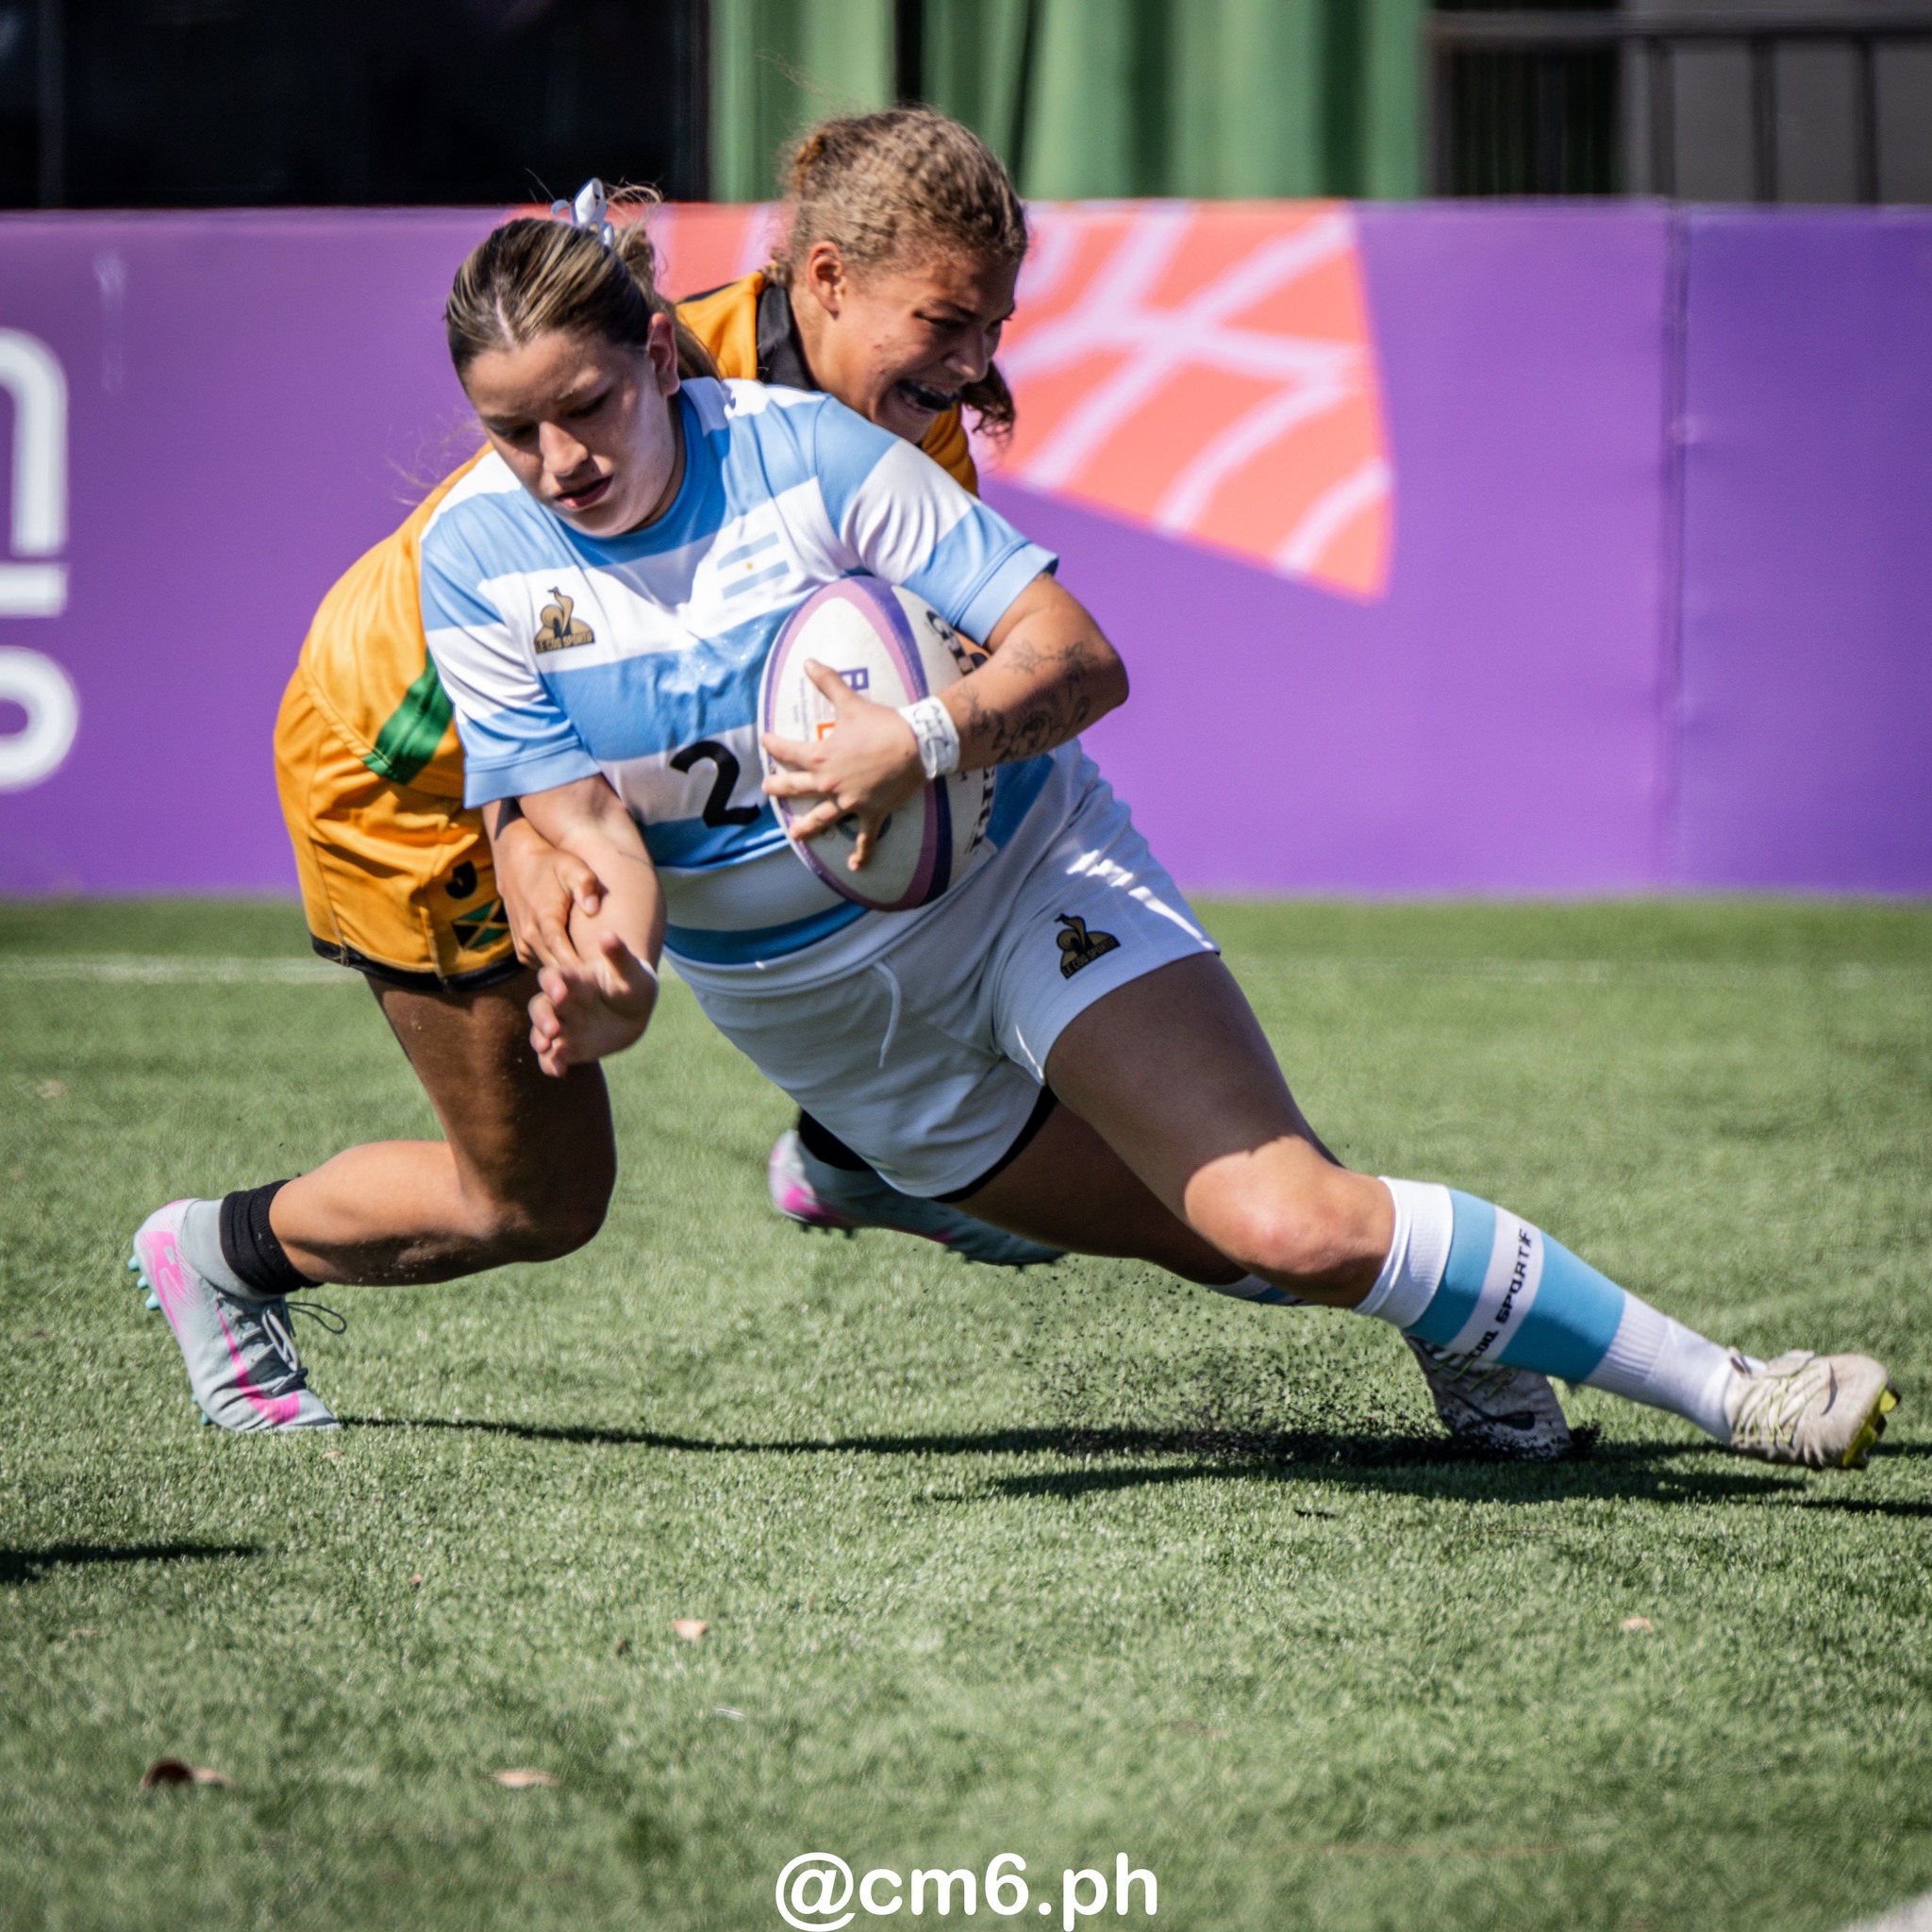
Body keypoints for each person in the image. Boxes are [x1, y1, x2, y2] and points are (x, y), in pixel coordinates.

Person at [131, 121, 1557, 1459]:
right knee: (531, 1200)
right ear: (826, 281)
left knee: (1180, 1144)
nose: (976, 361)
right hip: (405, 771)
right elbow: (541, 676)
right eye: (947, 324)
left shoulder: (879, 419)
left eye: (996, 323)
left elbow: (967, 682)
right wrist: (573, 876)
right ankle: (214, 1252)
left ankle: (881, 1152)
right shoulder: (651, 387)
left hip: (592, 775)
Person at [392, 206, 1894, 1474]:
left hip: (1017, 885)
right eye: (510, 429)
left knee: (1284, 1215)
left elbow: (1077, 658)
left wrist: (915, 740)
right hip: (833, 1034)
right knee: (1225, 1247)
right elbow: (581, 823)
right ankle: (1450, 1315)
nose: (555, 458)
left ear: (660, 353)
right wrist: (616, 980)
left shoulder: (814, 462)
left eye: (584, 407)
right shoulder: (471, 552)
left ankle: (1741, 1393)